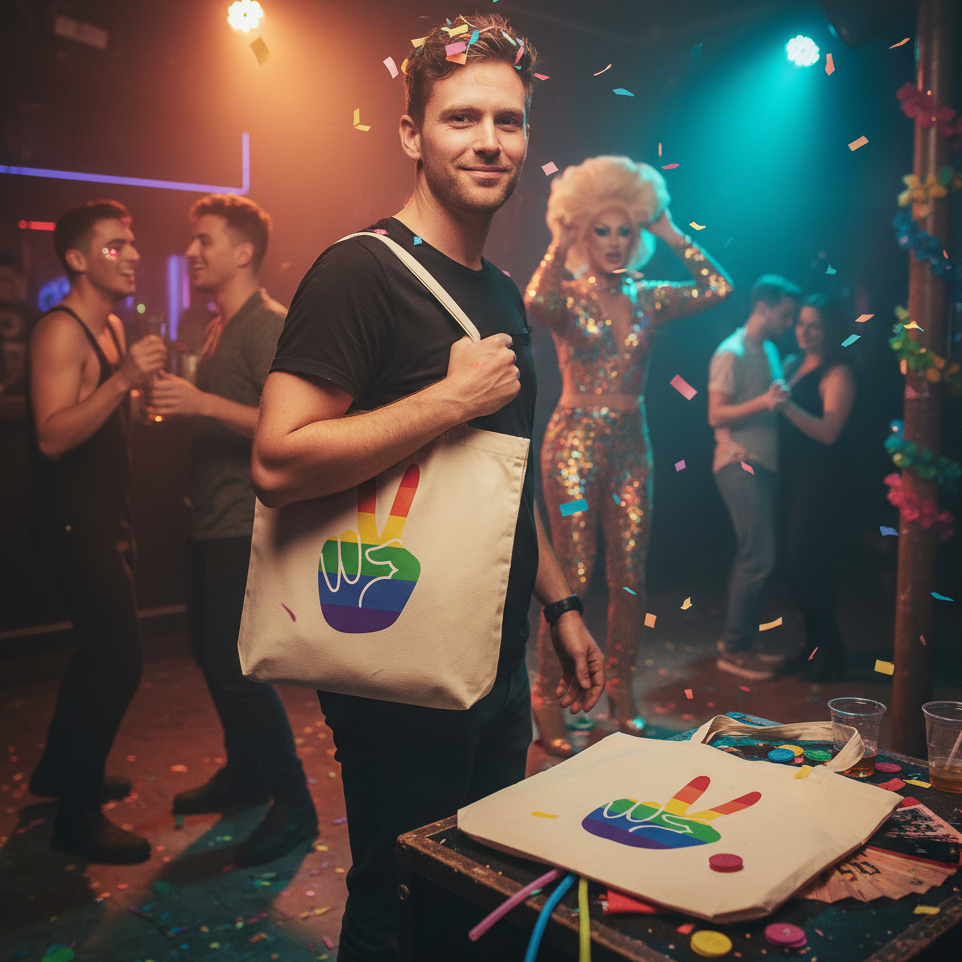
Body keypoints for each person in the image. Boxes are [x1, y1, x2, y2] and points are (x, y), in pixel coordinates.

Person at [250, 15, 604, 961]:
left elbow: (505, 475)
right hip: (396, 649)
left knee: (480, 876)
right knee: (402, 887)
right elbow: (277, 462)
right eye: (461, 119)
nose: (489, 141)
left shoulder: (503, 292)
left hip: (494, 646)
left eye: (510, 120)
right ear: (412, 134)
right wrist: (447, 400)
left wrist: (560, 602)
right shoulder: (359, 273)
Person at [524, 156, 733, 754]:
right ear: (583, 233)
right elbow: (535, 301)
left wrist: (669, 232)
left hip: (631, 440)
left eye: (626, 230)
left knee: (631, 579)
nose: (615, 242)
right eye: (602, 230)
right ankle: (548, 697)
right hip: (574, 439)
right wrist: (556, 243)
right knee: (573, 576)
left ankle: (622, 689)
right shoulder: (565, 291)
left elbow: (719, 288)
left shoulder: (650, 295)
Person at [147, 195, 317, 866]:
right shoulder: (220, 325)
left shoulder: (268, 324)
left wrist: (200, 402)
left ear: (243, 252)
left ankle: (294, 806)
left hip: (246, 522)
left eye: (204, 240)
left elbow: (293, 425)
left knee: (236, 666)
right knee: (206, 652)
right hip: (209, 517)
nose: (192, 252)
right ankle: (246, 774)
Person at [26, 201, 167, 863]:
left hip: (105, 516)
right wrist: (123, 382)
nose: (132, 255)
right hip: (70, 521)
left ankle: (61, 771)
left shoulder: (110, 326)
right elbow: (52, 436)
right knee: (117, 661)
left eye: (131, 245)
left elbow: (108, 419)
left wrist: (142, 391)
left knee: (97, 654)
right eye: (114, 247)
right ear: (78, 260)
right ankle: (76, 818)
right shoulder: (60, 331)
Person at [708, 275, 799, 681]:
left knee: (758, 555)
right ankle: (735, 648)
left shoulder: (770, 350)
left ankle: (741, 641)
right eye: (785, 313)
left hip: (763, 465)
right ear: (763, 306)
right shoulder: (730, 352)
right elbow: (715, 414)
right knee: (757, 556)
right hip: (738, 463)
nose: (789, 322)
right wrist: (765, 401)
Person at [778, 294, 856, 681]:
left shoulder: (838, 371)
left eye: (814, 325)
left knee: (806, 565)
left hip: (820, 479)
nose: (804, 331)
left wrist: (786, 407)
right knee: (793, 568)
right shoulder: (792, 363)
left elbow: (829, 432)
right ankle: (813, 648)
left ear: (830, 330)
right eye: (800, 323)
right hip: (792, 476)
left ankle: (832, 653)